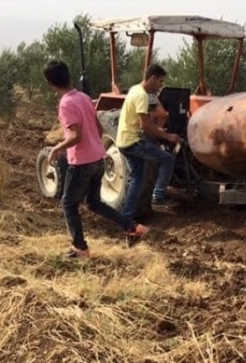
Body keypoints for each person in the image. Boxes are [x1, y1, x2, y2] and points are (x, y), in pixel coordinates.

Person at [43, 60, 149, 259]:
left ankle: (80, 248)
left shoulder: (65, 103)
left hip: (81, 162)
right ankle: (134, 227)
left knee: (68, 204)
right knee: (93, 202)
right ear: (69, 75)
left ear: (50, 83)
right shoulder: (83, 98)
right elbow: (99, 129)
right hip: (97, 158)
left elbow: (75, 136)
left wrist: (55, 149)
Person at [115, 63, 180, 217]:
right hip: (133, 142)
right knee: (167, 160)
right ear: (152, 78)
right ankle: (158, 198)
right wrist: (168, 136)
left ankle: (127, 217)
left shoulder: (135, 89)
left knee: (137, 180)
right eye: (160, 81)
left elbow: (151, 117)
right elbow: (145, 125)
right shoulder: (142, 96)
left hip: (124, 141)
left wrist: (158, 127)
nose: (160, 86)